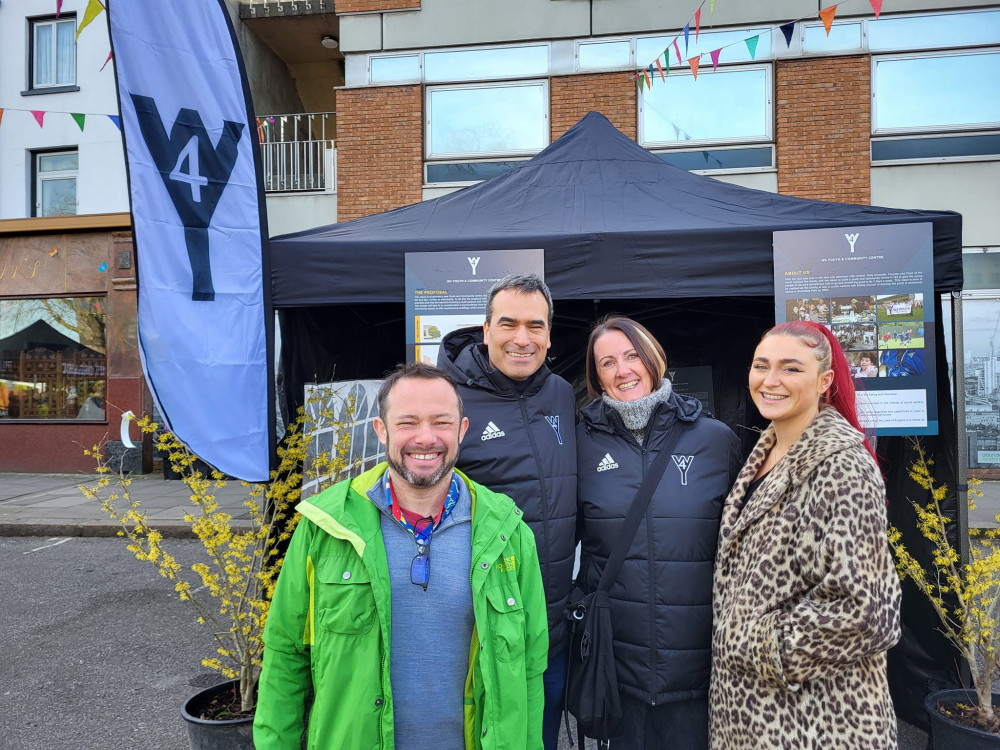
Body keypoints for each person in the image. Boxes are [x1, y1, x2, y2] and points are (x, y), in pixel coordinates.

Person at [254, 362, 548, 750]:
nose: (425, 438)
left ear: (461, 430)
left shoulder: (508, 534)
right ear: (382, 430)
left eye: (441, 422)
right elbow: (284, 658)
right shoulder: (324, 528)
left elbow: (529, 668)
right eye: (408, 422)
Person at [710, 321, 901, 750]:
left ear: (824, 381)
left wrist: (755, 644)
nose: (770, 380)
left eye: (791, 368)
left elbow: (869, 612)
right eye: (762, 366)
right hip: (752, 714)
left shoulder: (844, 467)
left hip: (819, 721)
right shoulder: (765, 452)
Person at [575, 316, 742, 750]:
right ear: (597, 378)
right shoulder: (581, 445)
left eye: (632, 356)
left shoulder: (715, 441)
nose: (622, 370)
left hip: (699, 674)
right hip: (620, 672)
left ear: (654, 360)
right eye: (607, 362)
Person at [438, 273, 576, 750]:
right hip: (478, 628)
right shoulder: (449, 400)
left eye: (535, 326)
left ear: (549, 334)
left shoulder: (560, 393)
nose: (523, 338)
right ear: (486, 329)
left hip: (547, 626)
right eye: (508, 324)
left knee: (539, 736)